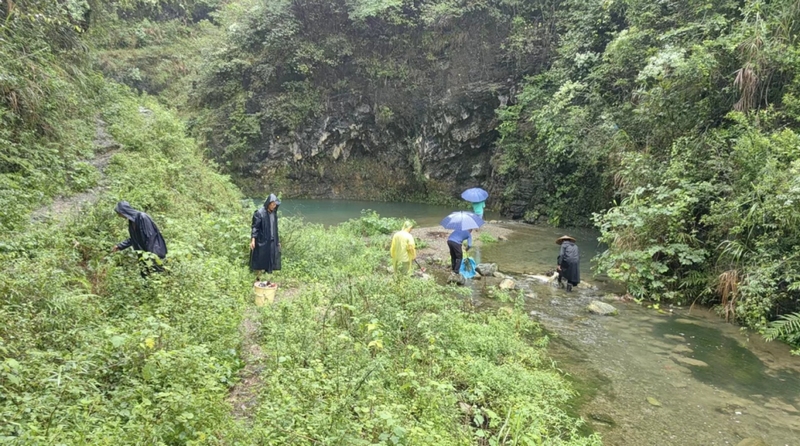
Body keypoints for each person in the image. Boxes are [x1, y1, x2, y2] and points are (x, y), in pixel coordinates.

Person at [112, 201, 167, 278]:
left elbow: (151, 237)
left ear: (124, 211)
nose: (119, 216)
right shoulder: (132, 222)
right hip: (143, 254)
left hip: (153, 252)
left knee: (157, 275)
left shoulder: (142, 217)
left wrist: (149, 255)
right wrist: (119, 246)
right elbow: (134, 239)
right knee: (145, 276)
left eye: (119, 213)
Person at [250, 194, 281, 282]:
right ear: (268, 203)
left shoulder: (274, 213)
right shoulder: (259, 213)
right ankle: (258, 278)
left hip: (272, 240)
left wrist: (277, 241)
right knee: (260, 258)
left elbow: (275, 228)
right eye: (272, 204)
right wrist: (253, 240)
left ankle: (268, 278)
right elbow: (255, 227)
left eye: (275, 205)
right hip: (261, 240)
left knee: (270, 258)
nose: (274, 206)